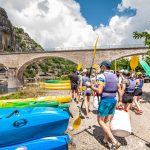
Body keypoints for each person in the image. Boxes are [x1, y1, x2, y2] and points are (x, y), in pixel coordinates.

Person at [86, 60, 122, 150]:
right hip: (114, 100)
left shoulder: (101, 76)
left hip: (106, 100)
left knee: (100, 121)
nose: (101, 67)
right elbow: (119, 90)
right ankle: (105, 140)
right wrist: (120, 101)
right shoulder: (115, 76)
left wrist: (90, 86)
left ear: (104, 67)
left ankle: (114, 141)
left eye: (101, 66)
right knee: (107, 121)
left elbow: (99, 91)